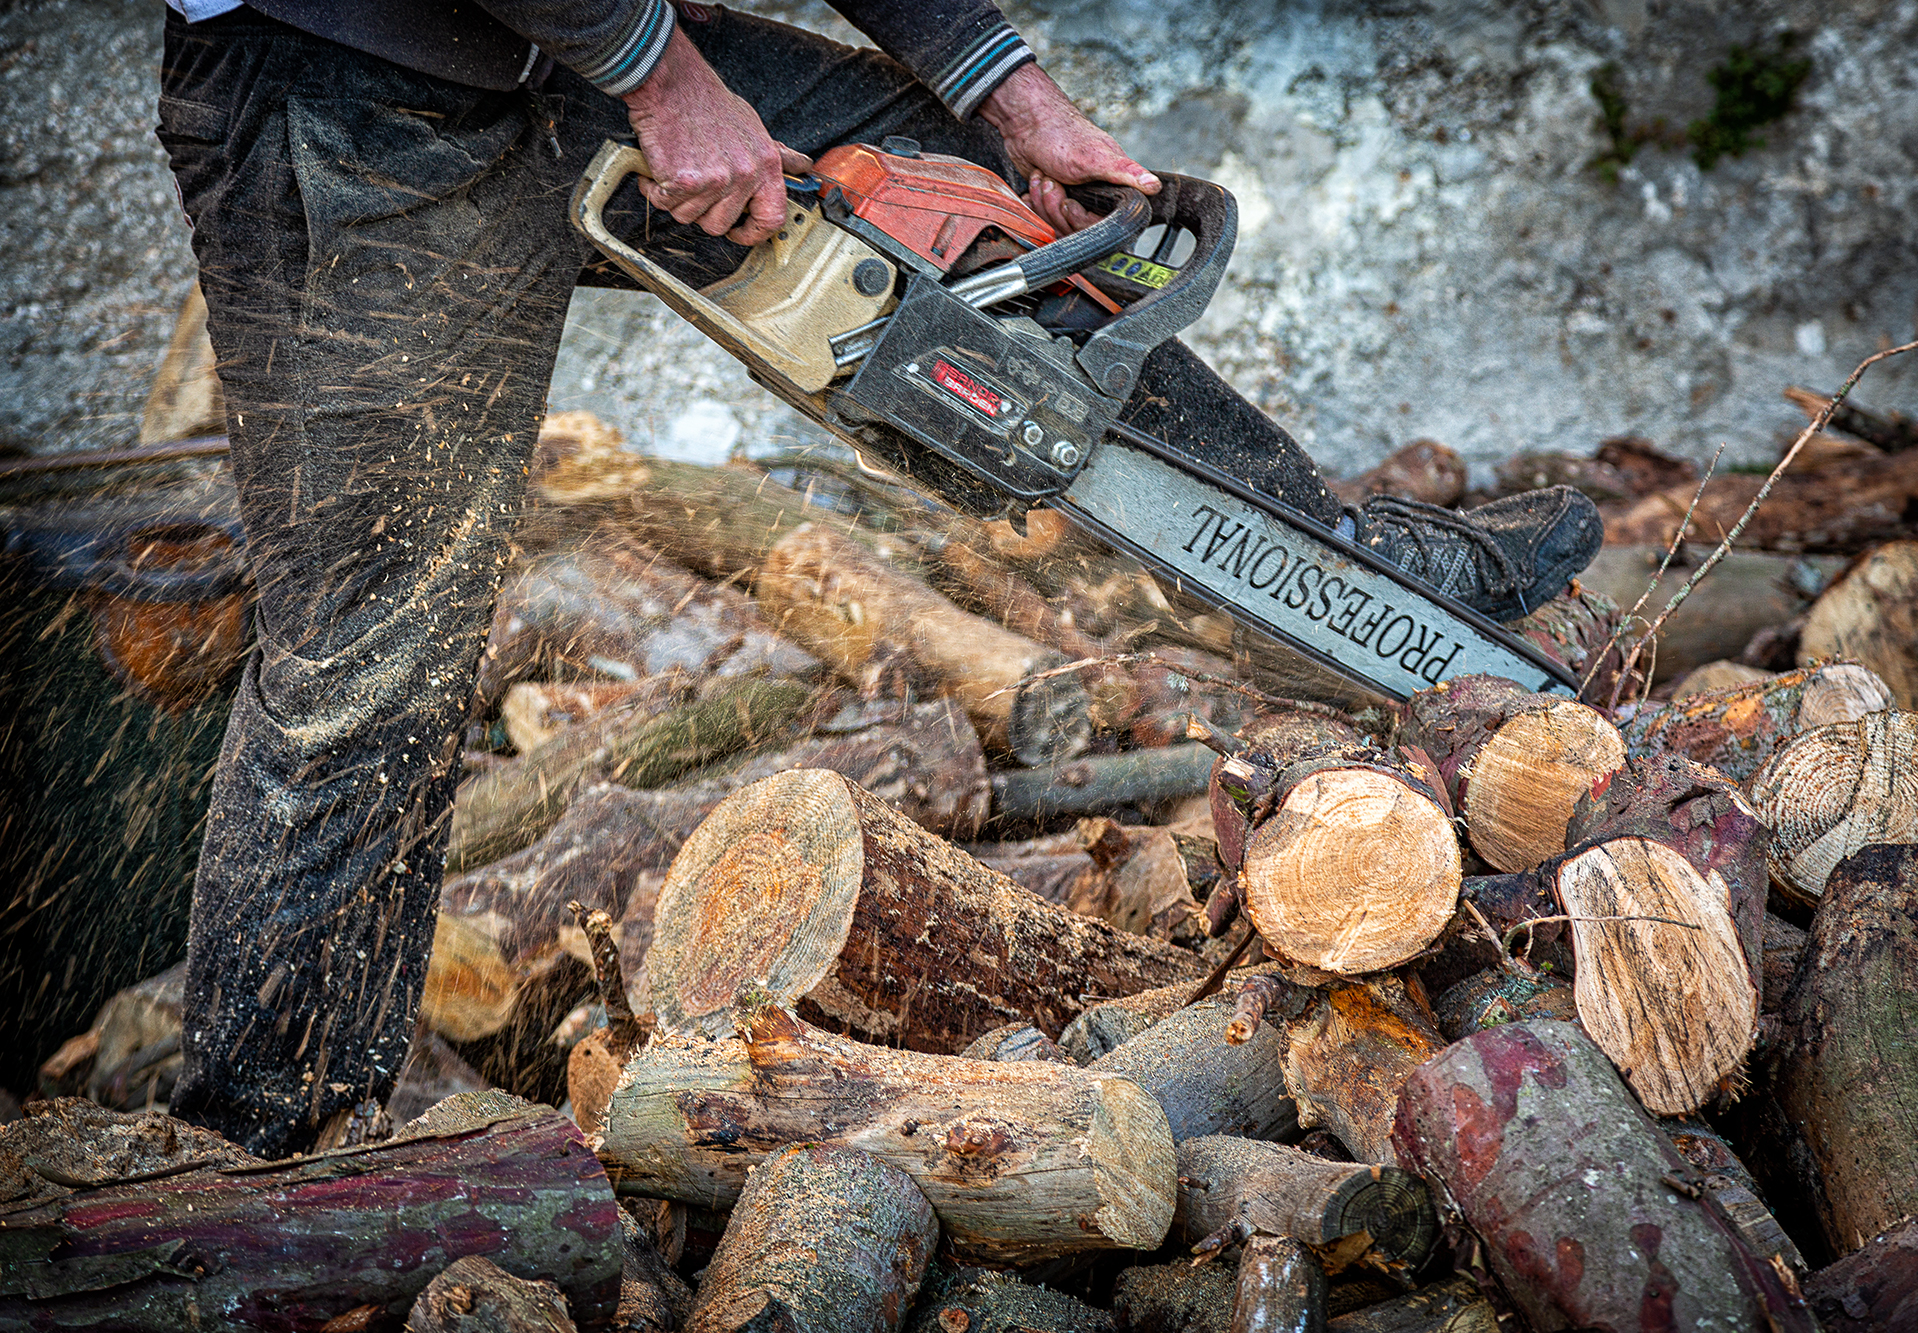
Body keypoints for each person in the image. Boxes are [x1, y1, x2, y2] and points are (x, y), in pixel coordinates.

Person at [156, 0, 1600, 1156]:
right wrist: (659, 76)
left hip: (559, 48)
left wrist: (1008, 90)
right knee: (378, 637)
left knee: (974, 206)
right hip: (342, 81)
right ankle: (274, 1142)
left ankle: (1335, 572)